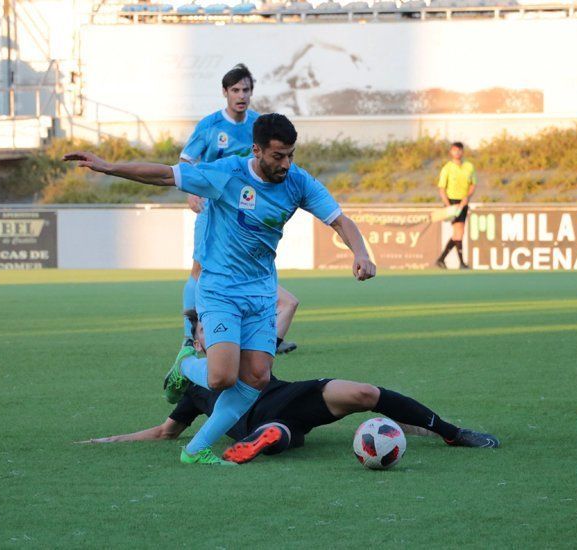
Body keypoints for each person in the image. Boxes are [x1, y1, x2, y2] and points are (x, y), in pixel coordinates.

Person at [64, 113, 376, 465]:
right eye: (278, 156)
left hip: (260, 292)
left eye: (291, 154)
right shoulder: (227, 173)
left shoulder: (298, 182)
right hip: (220, 288)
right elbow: (166, 174)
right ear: (256, 150)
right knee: (221, 377)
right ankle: (185, 367)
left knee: (257, 377)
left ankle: (195, 450)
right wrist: (109, 168)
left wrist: (361, 253)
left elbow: (339, 219)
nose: (286, 164)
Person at [80, 310, 501, 464]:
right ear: (195, 341)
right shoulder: (193, 384)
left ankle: (451, 432)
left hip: (287, 397)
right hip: (252, 422)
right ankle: (267, 440)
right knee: (276, 432)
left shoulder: (248, 352)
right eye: (208, 328)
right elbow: (165, 432)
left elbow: (284, 308)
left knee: (365, 394)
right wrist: (108, 439)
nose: (218, 332)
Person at [180, 63, 298, 354]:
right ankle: (191, 335)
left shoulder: (259, 125)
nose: (241, 95)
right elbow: (186, 162)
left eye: (246, 89)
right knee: (200, 268)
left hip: (250, 210)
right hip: (215, 209)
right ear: (225, 92)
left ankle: (261, 334)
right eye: (235, 89)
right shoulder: (210, 126)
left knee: (259, 266)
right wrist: (192, 193)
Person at [435, 142, 476, 270]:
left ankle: (441, 259)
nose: (457, 153)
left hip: (463, 201)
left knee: (459, 233)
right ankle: (461, 263)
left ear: (462, 151)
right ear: (451, 152)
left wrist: (466, 198)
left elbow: (473, 184)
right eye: (454, 150)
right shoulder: (447, 168)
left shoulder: (469, 166)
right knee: (459, 232)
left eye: (459, 150)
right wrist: (448, 206)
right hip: (451, 201)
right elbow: (441, 188)